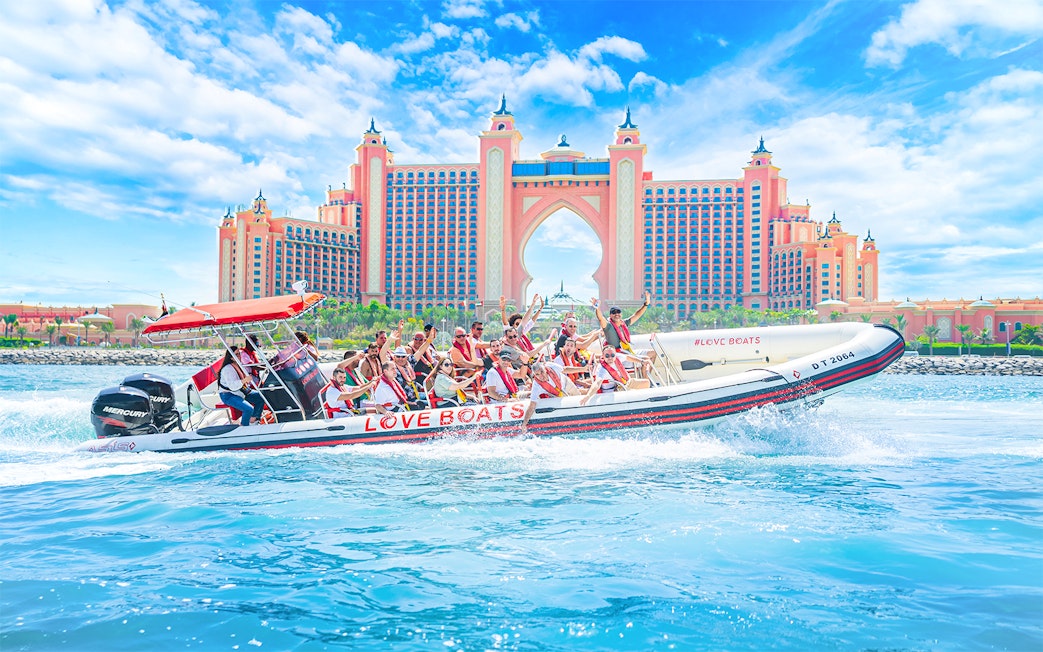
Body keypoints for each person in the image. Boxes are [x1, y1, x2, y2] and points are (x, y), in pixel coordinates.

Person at [592, 291, 657, 372]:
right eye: (613, 313)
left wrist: (646, 304)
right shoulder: (608, 326)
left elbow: (637, 315)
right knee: (646, 359)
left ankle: (646, 380)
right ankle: (646, 381)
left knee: (653, 353)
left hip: (628, 352)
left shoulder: (624, 324)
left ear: (621, 314)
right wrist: (597, 308)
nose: (616, 314)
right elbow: (600, 318)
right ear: (610, 315)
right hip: (619, 357)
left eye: (618, 312)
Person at [580, 348, 650, 405]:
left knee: (646, 383)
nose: (610, 357)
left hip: (624, 383)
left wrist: (642, 361)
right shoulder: (602, 369)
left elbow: (628, 357)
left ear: (615, 355)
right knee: (635, 394)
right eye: (607, 356)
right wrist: (588, 396)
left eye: (612, 355)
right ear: (603, 357)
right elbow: (597, 383)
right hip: (614, 391)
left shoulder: (618, 357)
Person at [218, 347, 266, 426]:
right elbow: (232, 386)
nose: (239, 356)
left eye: (239, 354)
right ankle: (244, 427)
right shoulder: (227, 369)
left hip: (240, 391)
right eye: (236, 355)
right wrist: (244, 380)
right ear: (231, 357)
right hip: (228, 395)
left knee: (261, 396)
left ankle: (253, 420)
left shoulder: (238, 365)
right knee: (248, 409)